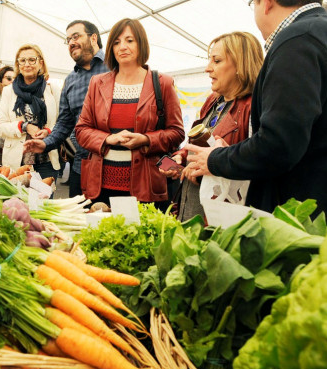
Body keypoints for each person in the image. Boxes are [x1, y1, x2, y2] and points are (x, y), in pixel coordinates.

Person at [185, 0, 327, 218]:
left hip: (300, 217)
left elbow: (278, 146)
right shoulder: (319, 32)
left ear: (267, 3)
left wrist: (217, 159)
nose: (209, 68)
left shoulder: (297, 41)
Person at [74, 18, 184, 206]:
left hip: (146, 185)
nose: (122, 47)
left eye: (129, 40)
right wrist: (108, 139)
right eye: (116, 42)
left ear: (141, 43)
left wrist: (146, 139)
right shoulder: (97, 83)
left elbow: (176, 132)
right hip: (101, 185)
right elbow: (81, 130)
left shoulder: (162, 83)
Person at [161, 32, 264, 221]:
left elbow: (253, 164)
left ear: (240, 65)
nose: (208, 68)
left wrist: (205, 171)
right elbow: (198, 142)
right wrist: (180, 157)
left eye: (216, 61)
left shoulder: (252, 107)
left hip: (220, 216)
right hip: (190, 204)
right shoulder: (213, 101)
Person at [23, 20, 108, 197]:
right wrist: (45, 143)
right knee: (80, 220)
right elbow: (64, 123)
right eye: (68, 39)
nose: (71, 42)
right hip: (82, 165)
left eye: (76, 36)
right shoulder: (70, 80)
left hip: (115, 165)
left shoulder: (115, 68)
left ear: (93, 38)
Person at [0, 44, 61, 178]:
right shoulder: (9, 91)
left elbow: (61, 123)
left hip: (46, 160)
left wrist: (48, 131)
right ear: (18, 64)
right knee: (16, 199)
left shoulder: (52, 89)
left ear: (40, 63)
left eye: (32, 60)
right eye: (22, 60)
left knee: (44, 199)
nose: (27, 64)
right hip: (16, 162)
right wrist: (24, 126)